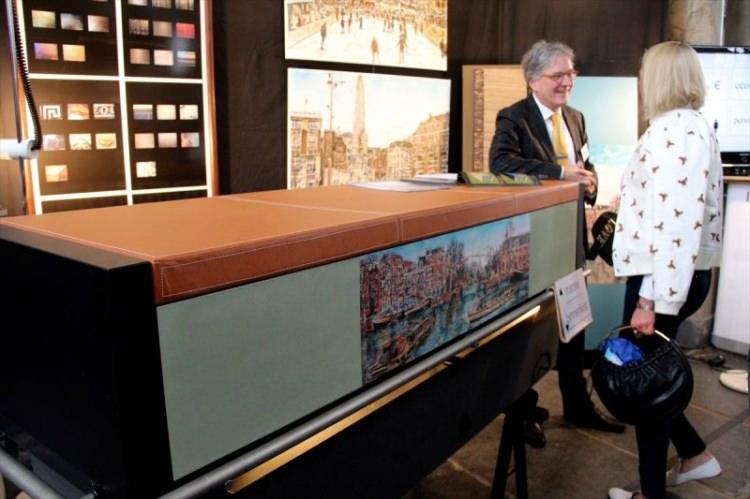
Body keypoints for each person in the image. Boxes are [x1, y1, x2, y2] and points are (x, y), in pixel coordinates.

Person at [489, 39, 625, 446]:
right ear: (533, 80)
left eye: (571, 73)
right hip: (534, 240)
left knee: (575, 323)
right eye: (558, 75)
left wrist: (591, 181)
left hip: (572, 239)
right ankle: (524, 412)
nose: (568, 81)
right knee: (530, 331)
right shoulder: (514, 117)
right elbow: (501, 164)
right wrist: (560, 173)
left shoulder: (577, 118)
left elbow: (585, 162)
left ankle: (577, 405)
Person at [607, 41, 723, 499]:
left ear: (659, 78)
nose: (640, 80)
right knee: (654, 376)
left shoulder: (676, 131)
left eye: (644, 71)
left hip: (660, 278)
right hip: (671, 274)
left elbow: (675, 224)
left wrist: (650, 298)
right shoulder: (689, 127)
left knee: (646, 385)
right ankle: (694, 455)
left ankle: (651, 493)